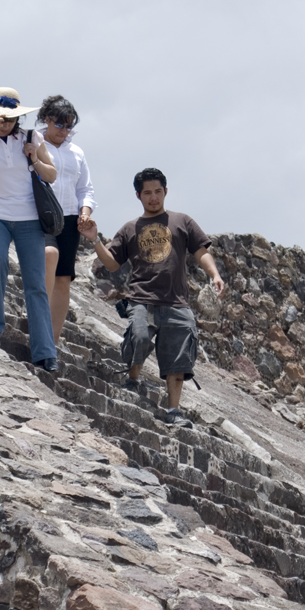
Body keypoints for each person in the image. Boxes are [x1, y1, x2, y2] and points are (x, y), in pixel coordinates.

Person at [79, 166, 225, 426]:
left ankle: (173, 411)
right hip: (141, 298)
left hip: (177, 302)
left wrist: (214, 274)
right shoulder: (129, 228)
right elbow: (112, 264)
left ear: (166, 191)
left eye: (158, 191)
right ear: (139, 195)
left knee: (179, 358)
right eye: (148, 192)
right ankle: (133, 379)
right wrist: (95, 241)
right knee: (139, 336)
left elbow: (201, 251)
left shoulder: (182, 221)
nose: (154, 197)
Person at [0, 87, 59, 373]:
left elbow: (52, 174)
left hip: (29, 219)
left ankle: (45, 352)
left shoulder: (33, 138)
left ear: (18, 119)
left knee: (35, 283)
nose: (4, 121)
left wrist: (34, 157)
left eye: (9, 118)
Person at [37, 94, 96, 342]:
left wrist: (85, 212)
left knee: (63, 279)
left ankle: (53, 338)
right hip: (41, 215)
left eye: (69, 125)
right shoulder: (34, 142)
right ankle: (38, 328)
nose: (64, 130)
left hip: (70, 219)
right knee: (46, 268)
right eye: (59, 124)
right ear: (47, 119)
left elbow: (85, 189)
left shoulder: (77, 152)